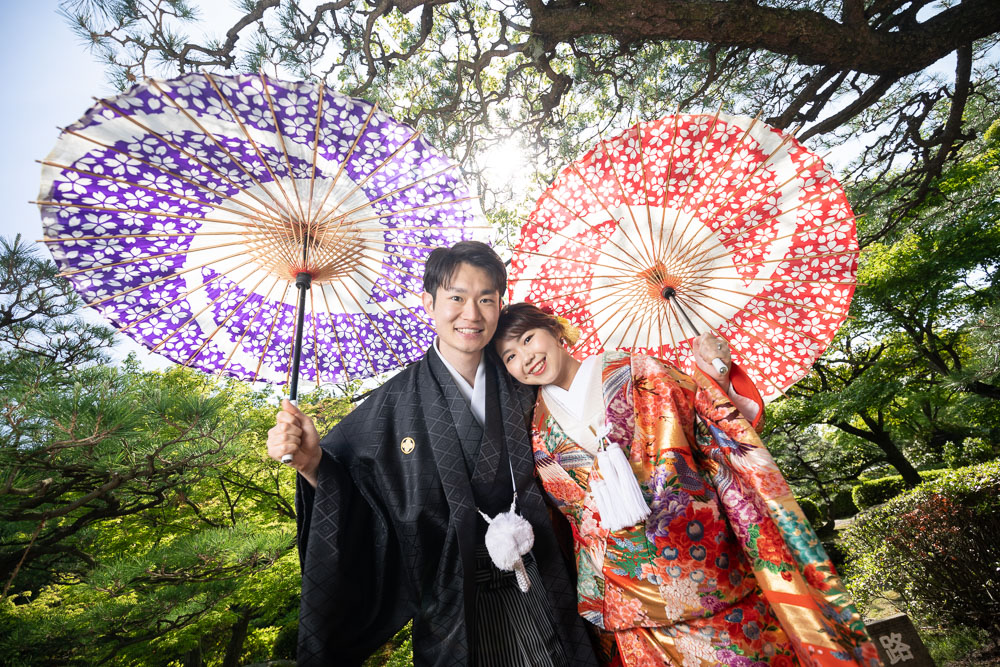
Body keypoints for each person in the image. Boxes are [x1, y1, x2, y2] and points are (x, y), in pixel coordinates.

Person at [493, 302, 881, 667]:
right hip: (632, 597)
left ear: (556, 329)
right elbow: (564, 513)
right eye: (510, 356)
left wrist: (715, 376)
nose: (525, 357)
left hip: (706, 562)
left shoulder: (641, 371)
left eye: (528, 339)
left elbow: (711, 426)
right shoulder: (537, 430)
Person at [266, 242, 599, 666]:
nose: (471, 314)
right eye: (456, 298)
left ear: (500, 305)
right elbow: (350, 483)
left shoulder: (520, 374)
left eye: (486, 300)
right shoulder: (394, 402)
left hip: (543, 576)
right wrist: (312, 463)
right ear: (430, 303)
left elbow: (588, 416)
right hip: (453, 601)